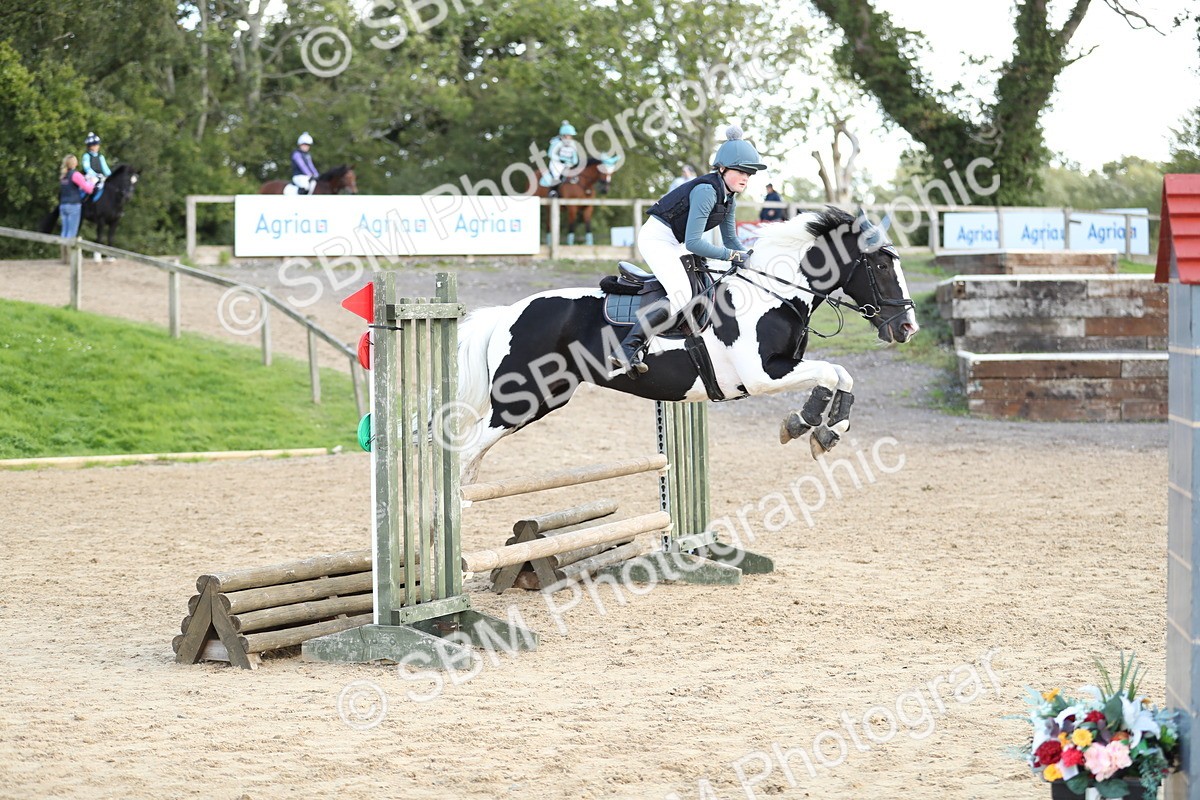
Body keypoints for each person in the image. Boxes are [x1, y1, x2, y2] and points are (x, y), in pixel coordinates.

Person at [611, 125, 766, 377]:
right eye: (740, 171)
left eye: (749, 173)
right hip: (657, 239)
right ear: (723, 168)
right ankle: (627, 348)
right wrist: (733, 256)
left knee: (708, 281)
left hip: (677, 242)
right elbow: (695, 243)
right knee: (682, 294)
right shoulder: (706, 191)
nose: (746, 177)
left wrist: (751, 256)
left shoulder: (729, 197)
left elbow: (730, 240)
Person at [59, 154, 94, 239]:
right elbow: (88, 189)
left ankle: (64, 251)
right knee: (71, 232)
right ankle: (69, 251)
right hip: (73, 205)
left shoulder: (63, 175)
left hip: (63, 205)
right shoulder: (75, 174)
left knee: (64, 232)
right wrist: (92, 182)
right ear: (75, 163)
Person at [546, 121, 580, 196]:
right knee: (556, 174)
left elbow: (575, 157)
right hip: (556, 163)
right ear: (564, 135)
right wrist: (560, 159)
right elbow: (550, 154)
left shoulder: (573, 144)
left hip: (568, 164)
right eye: (569, 135)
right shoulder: (556, 143)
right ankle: (553, 191)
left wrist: (573, 162)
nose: (570, 137)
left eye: (571, 135)